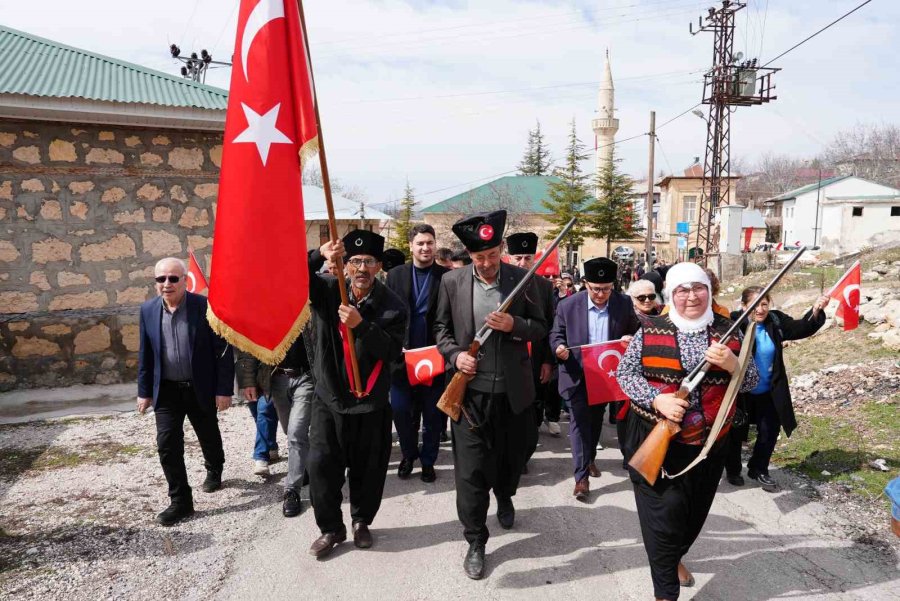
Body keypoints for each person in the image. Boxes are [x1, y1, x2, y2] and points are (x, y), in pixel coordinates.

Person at [617, 262, 759, 601]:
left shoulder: (731, 330)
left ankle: (674, 556)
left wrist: (733, 366)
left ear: (709, 292)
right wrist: (659, 400)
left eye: (698, 288)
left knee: (692, 518)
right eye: (683, 290)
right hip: (658, 439)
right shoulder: (651, 329)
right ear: (671, 294)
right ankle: (665, 592)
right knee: (663, 522)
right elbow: (625, 375)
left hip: (709, 446)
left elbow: (752, 382)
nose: (691, 296)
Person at [434, 210, 547, 580]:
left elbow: (541, 328)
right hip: (470, 398)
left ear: (501, 248)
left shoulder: (523, 279)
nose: (486, 264)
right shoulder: (451, 282)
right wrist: (456, 356)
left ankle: (506, 492)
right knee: (470, 472)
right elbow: (441, 330)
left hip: (514, 394)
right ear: (469, 254)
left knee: (513, 457)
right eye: (478, 257)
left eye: (492, 255)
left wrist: (515, 324)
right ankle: (476, 540)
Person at [305, 230, 407, 557]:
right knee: (321, 466)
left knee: (370, 468)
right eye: (355, 261)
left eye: (369, 262)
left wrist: (362, 325)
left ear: (379, 266)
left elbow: (393, 352)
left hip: (371, 404)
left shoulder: (393, 305)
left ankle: (362, 520)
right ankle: (331, 528)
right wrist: (319, 254)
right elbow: (294, 278)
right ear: (345, 265)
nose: (362, 268)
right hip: (330, 399)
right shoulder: (327, 291)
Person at [137, 257, 234, 526]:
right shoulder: (147, 311)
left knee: (208, 434)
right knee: (167, 445)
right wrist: (144, 392)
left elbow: (223, 352)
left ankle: (214, 469)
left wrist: (223, 390)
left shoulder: (204, 308)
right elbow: (145, 354)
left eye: (172, 278)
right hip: (166, 392)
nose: (166, 284)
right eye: (161, 279)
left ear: (184, 280)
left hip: (199, 387)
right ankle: (181, 501)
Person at [550, 258, 641, 501]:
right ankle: (581, 478)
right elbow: (556, 333)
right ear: (585, 284)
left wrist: (629, 338)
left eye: (606, 289)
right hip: (576, 373)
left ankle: (589, 458)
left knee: (595, 419)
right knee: (579, 423)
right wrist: (559, 347)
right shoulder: (568, 305)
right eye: (595, 289)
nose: (601, 294)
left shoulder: (623, 304)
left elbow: (636, 330)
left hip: (605, 376)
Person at [724, 286, 828, 490]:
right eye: (755, 304)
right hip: (740, 392)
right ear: (744, 305)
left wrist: (815, 310)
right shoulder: (734, 323)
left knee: (770, 430)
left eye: (764, 304)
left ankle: (758, 468)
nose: (760, 309)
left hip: (769, 389)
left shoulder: (775, 321)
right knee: (735, 431)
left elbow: (801, 328)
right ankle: (734, 470)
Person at [386, 224, 449, 482]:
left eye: (429, 243)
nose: (425, 248)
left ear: (435, 245)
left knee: (434, 415)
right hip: (403, 358)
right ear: (411, 246)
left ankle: (428, 460)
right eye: (420, 243)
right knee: (401, 411)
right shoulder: (396, 275)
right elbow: (388, 315)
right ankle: (408, 455)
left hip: (435, 357)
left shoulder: (446, 277)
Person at [235, 329, 314, 517]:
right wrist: (248, 381)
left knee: (296, 432)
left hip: (307, 377)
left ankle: (291, 490)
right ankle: (306, 467)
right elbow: (249, 342)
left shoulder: (308, 302)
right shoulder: (265, 305)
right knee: (290, 430)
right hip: (277, 379)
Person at [506, 232, 561, 474]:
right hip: (508, 361)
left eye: (527, 258)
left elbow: (550, 325)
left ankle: (524, 454)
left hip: (536, 360)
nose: (522, 263)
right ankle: (510, 454)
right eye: (518, 258)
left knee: (532, 413)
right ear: (509, 258)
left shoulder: (544, 287)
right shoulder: (501, 283)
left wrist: (548, 361)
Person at [245, 394, 279, 475]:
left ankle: (261, 456)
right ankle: (271, 446)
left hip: (270, 383)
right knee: (258, 413)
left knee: (265, 408)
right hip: (249, 383)